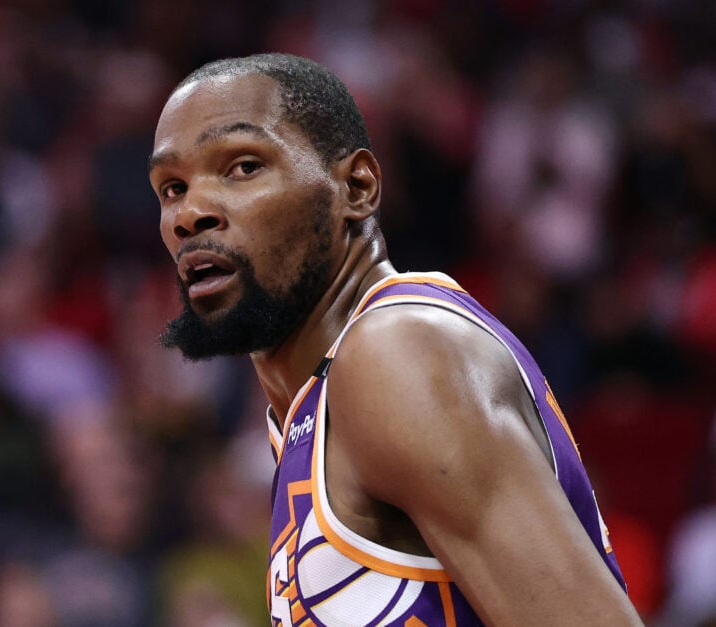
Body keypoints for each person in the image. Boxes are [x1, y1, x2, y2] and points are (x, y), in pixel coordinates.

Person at [148, 53, 642, 626]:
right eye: (172, 187)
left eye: (243, 166)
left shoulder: (397, 350)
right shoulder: (316, 405)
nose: (191, 214)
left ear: (356, 186)